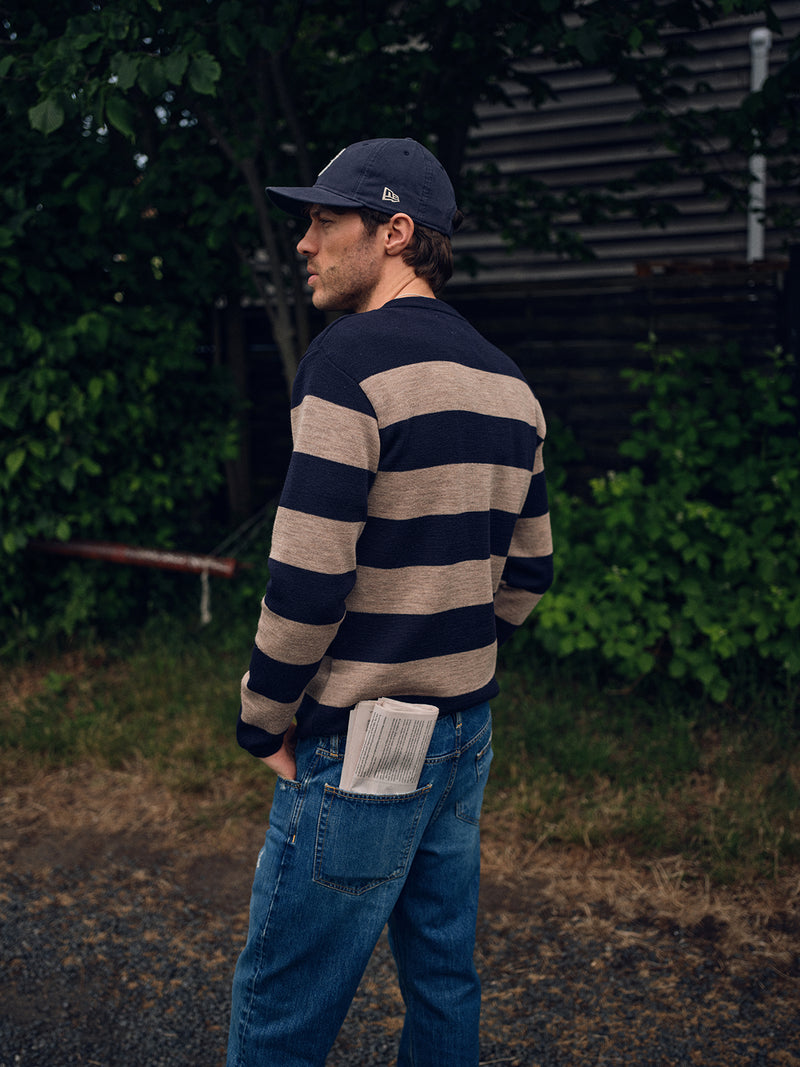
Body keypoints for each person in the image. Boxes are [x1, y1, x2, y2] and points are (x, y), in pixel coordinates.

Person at [227, 137, 553, 1067]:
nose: (305, 241)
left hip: (363, 742)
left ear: (396, 232)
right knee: (444, 983)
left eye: (326, 219)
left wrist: (263, 719)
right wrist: (445, 641)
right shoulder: (510, 382)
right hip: (464, 737)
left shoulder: (346, 364)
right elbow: (528, 574)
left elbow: (308, 580)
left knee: (283, 1007)